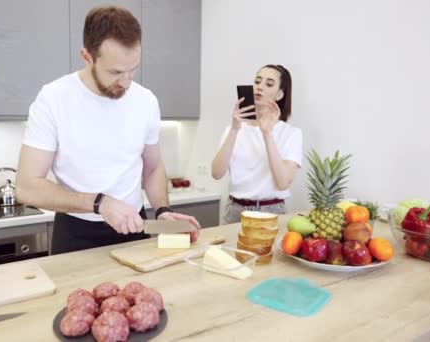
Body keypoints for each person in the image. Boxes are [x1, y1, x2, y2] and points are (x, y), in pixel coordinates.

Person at [16, 6, 200, 254]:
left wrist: (163, 211)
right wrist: (98, 203)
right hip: (76, 232)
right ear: (87, 57)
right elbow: (27, 186)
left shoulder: (146, 101)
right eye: (115, 72)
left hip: (136, 228)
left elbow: (153, 166)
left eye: (132, 69)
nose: (126, 81)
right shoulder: (53, 99)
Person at [211, 64, 303, 224]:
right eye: (257, 81)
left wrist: (267, 133)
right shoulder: (233, 129)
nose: (259, 87)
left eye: (269, 84)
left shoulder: (291, 134)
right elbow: (216, 173)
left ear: (280, 94)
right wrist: (234, 130)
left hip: (272, 213)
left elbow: (282, 183)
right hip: (235, 212)